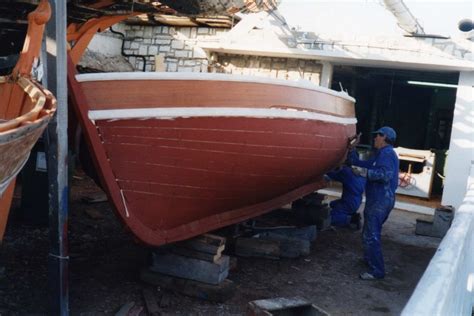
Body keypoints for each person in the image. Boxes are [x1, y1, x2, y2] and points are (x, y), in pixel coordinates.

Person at [348, 126, 399, 280]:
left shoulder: (387, 154)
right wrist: (352, 148)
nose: (375, 138)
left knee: (372, 235)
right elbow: (361, 163)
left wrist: (363, 173)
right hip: (379, 199)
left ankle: (377, 271)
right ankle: (370, 260)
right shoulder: (380, 154)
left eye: (377, 136)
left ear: (384, 137)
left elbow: (385, 175)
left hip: (380, 200)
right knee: (368, 232)